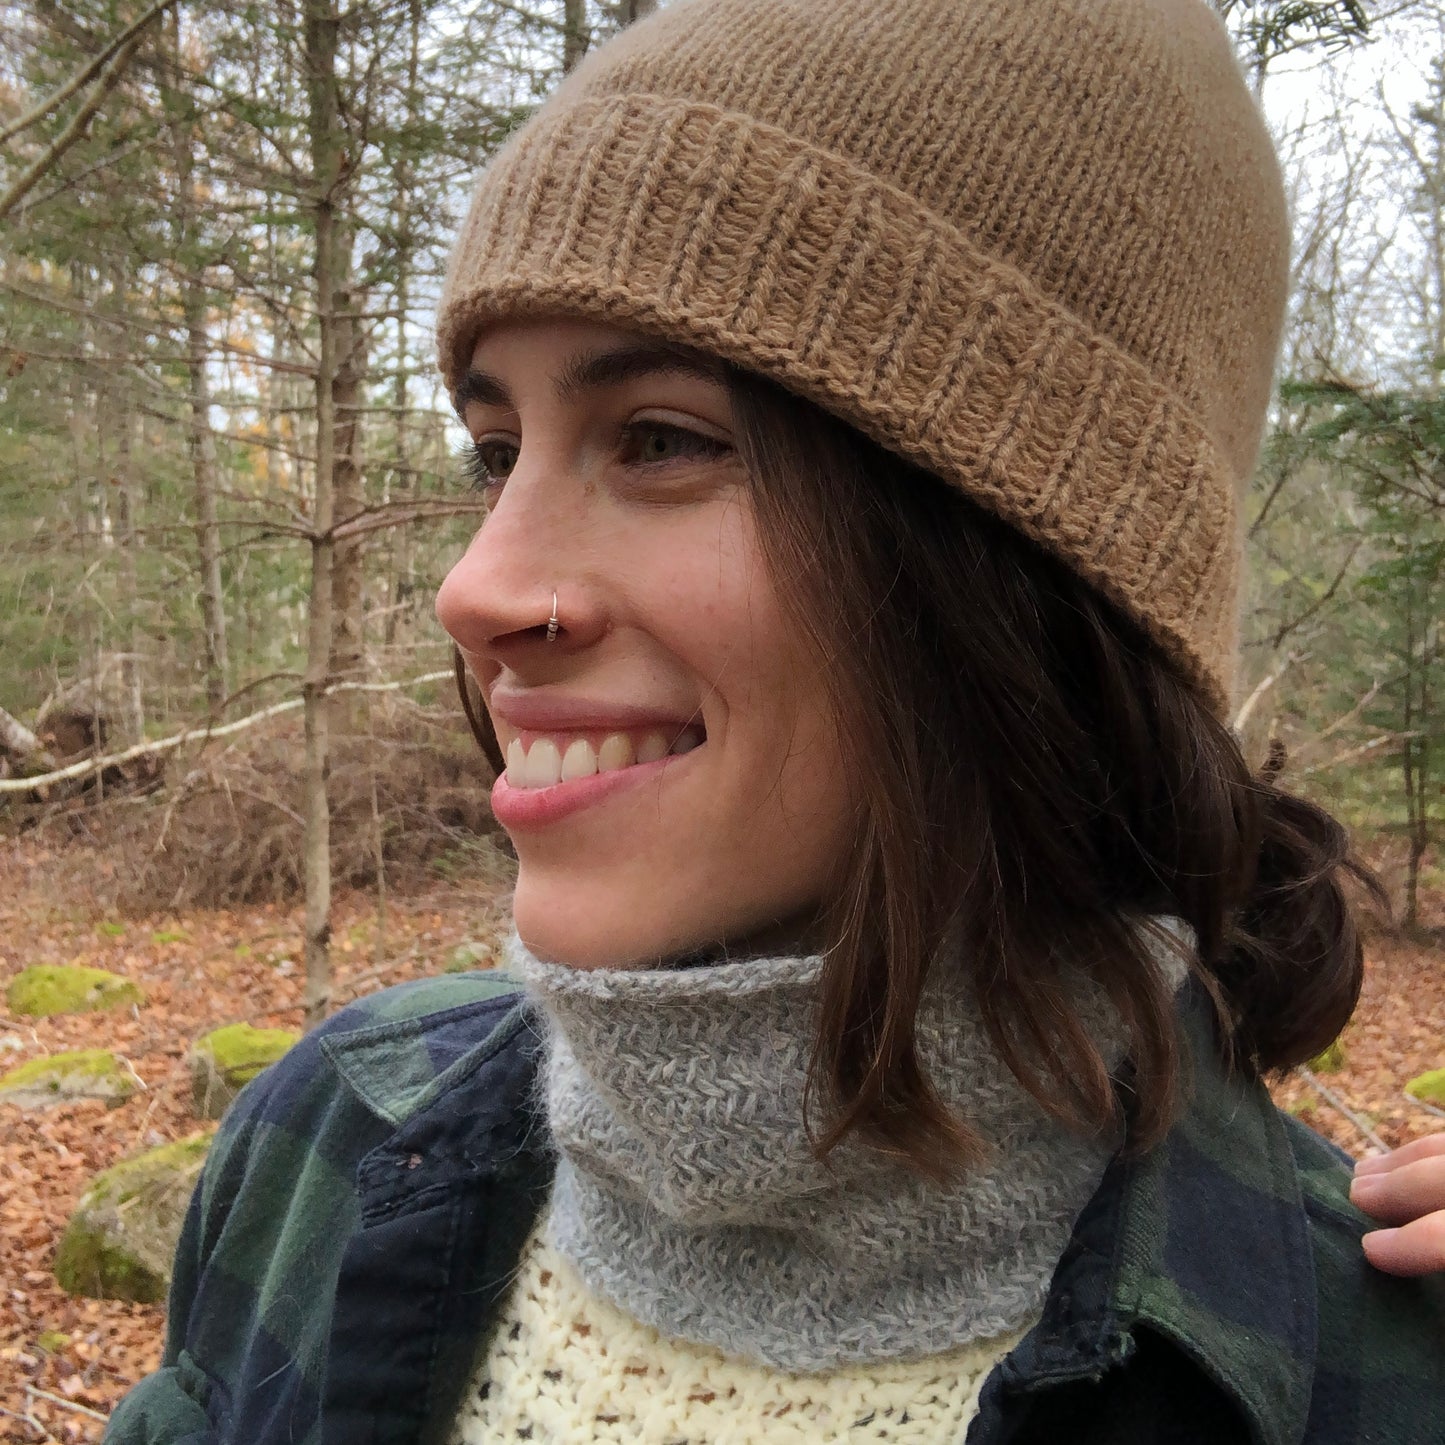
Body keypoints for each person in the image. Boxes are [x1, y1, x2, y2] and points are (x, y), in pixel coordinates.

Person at [106, 0, 1445, 1441]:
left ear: (1025, 568)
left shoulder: (1362, 1373)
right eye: (496, 451)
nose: (475, 584)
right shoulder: (325, 1144)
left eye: (662, 440)